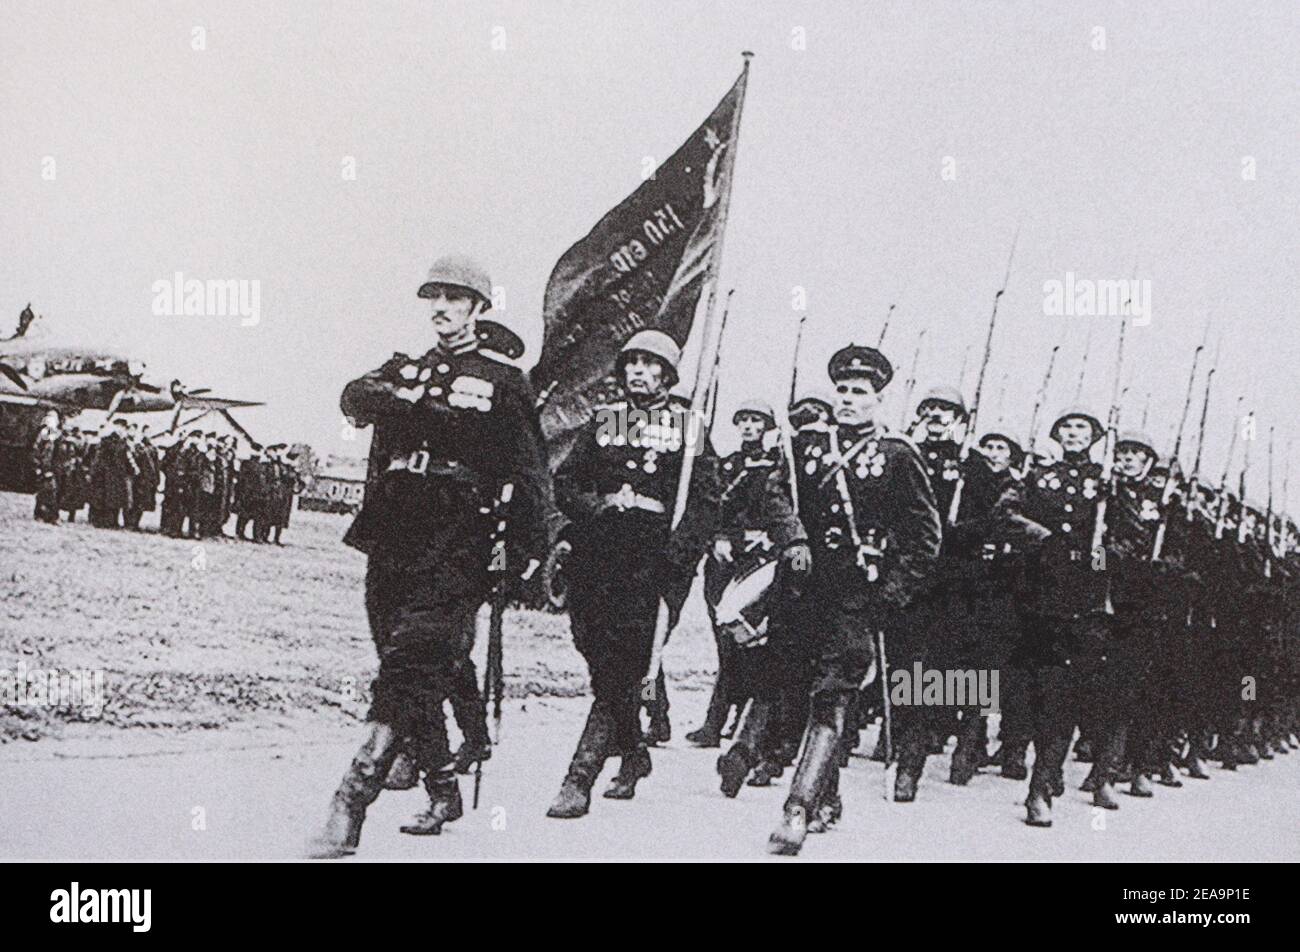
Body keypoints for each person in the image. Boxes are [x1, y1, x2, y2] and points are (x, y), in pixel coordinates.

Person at [308, 254, 549, 858]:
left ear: (477, 309)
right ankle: (444, 788)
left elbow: (530, 471)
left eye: (453, 298)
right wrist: (411, 398)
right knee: (404, 661)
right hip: (393, 533)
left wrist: (528, 556)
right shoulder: (404, 367)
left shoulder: (502, 382)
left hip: (458, 538)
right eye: (433, 297)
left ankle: (351, 798)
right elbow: (353, 396)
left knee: (412, 664)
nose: (440, 308)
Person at [768, 345, 940, 855]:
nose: (847, 400)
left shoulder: (898, 455)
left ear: (879, 400)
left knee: (832, 696)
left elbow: (924, 536)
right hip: (804, 591)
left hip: (857, 596)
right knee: (801, 695)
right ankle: (827, 799)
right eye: (841, 390)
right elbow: (774, 493)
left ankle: (796, 809)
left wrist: (890, 597)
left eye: (859, 393)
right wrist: (794, 539)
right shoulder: (806, 446)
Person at [545, 329, 720, 819]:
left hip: (652, 563)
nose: (639, 372)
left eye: (650, 364)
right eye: (632, 364)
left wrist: (677, 559)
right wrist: (596, 505)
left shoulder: (690, 427)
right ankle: (634, 751)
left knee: (624, 665)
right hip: (597, 556)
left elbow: (707, 504)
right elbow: (566, 482)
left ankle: (578, 778)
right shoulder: (603, 422)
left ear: (667, 373)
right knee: (597, 657)